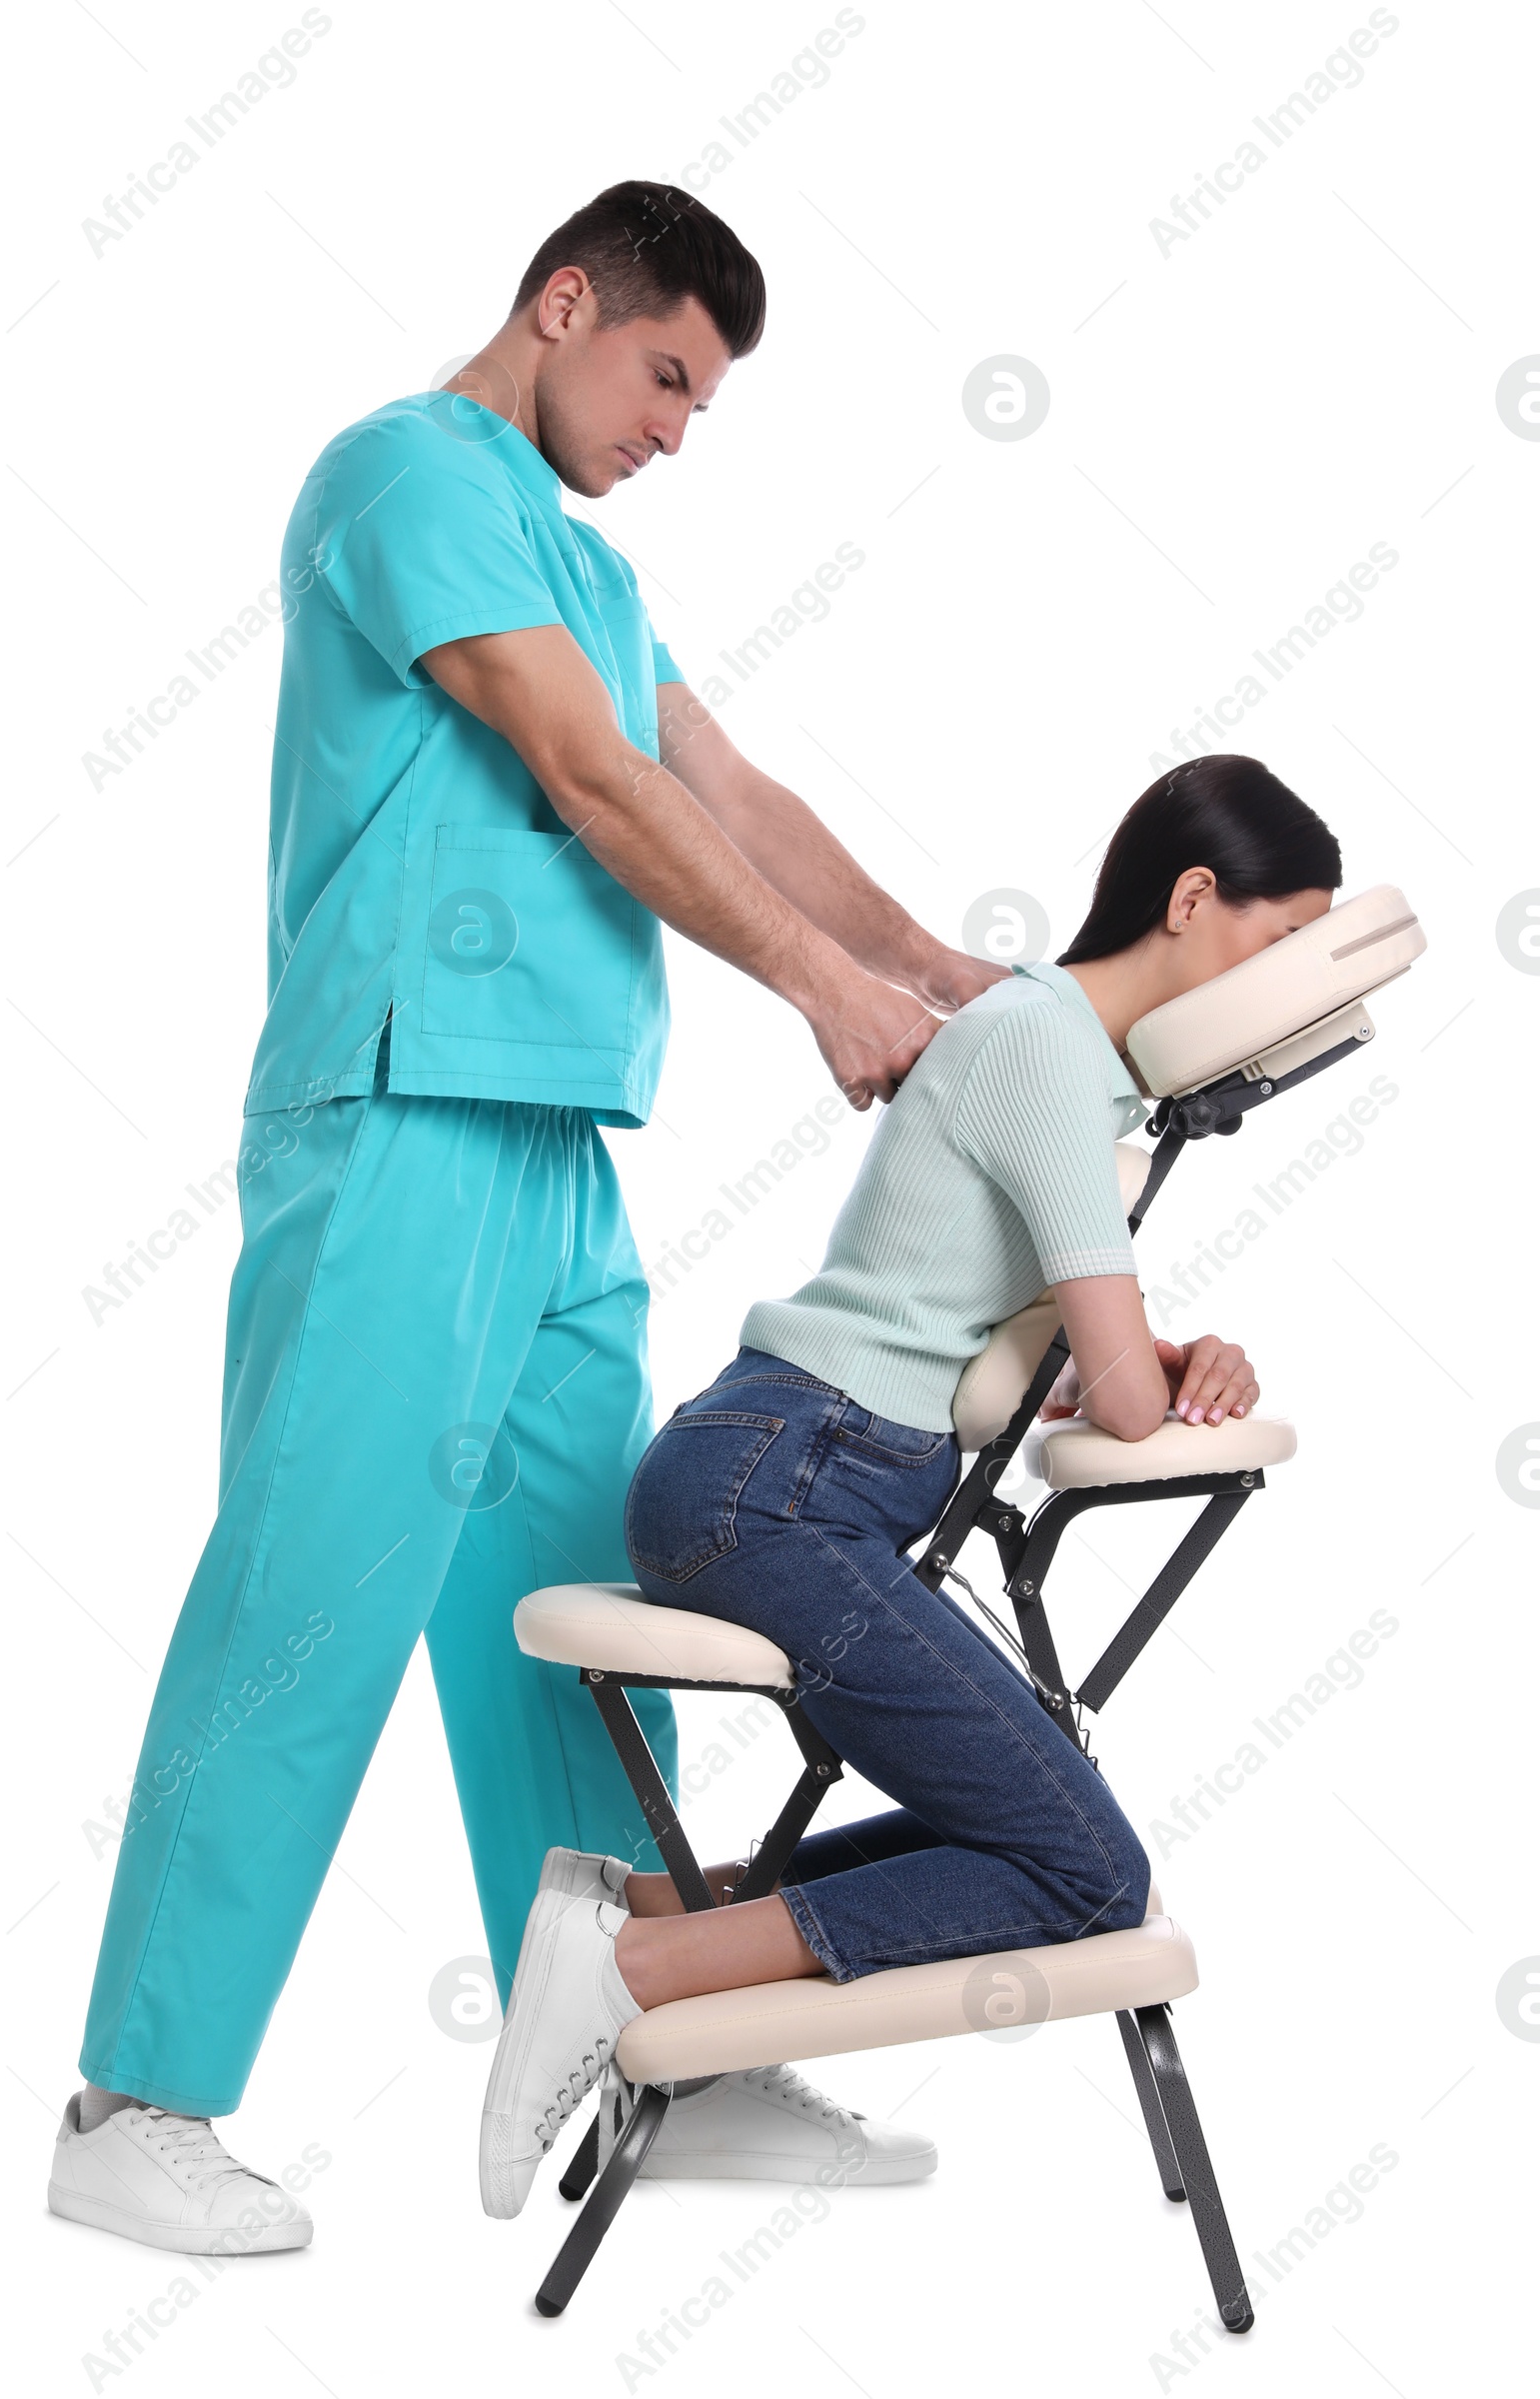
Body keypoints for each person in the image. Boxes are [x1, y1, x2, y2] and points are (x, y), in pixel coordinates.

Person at [50, 182, 1007, 2253]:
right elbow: (584, 777)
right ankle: (134, 2102)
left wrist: (933, 965)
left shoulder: (585, 561)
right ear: (562, 303)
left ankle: (664, 2056)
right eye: (664, 373)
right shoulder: (408, 474)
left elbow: (722, 792)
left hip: (558, 1142)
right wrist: (824, 999)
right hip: (401, 1106)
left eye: (703, 403)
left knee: (584, 1624)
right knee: (310, 1587)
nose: (676, 427)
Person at [479, 756, 1342, 2218]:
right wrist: (1156, 1361)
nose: (1282, 990)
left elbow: (1034, 1352)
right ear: (1194, 901)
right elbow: (1122, 1398)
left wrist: (1173, 1342)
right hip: (780, 1484)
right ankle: (639, 1975)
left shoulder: (1055, 1050)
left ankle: (630, 1913)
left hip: (792, 1473)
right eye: (1281, 943)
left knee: (1032, 1816)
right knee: (1081, 1867)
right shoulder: (1050, 1057)